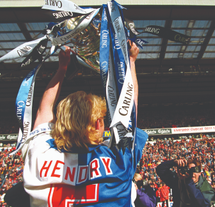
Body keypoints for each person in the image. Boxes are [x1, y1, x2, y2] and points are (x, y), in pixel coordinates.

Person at [19, 41, 148, 207]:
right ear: (96, 124)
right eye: (102, 119)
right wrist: (130, 61)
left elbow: (43, 111)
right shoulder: (118, 161)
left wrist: (62, 69)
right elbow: (130, 111)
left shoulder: (40, 155)